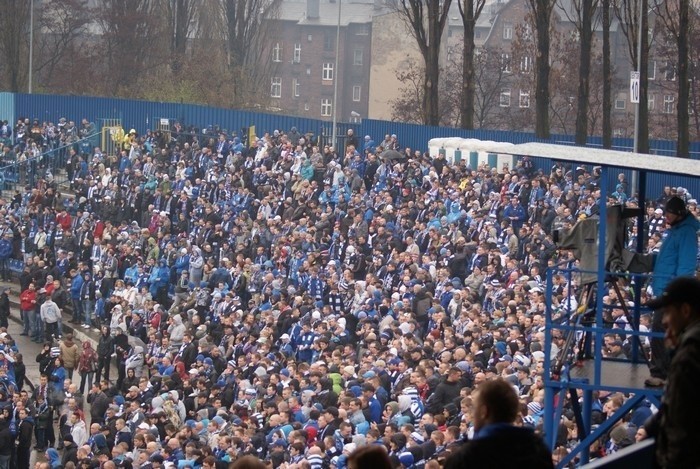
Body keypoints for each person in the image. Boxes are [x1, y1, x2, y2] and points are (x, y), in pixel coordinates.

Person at [644, 276, 700, 467]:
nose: (664, 320)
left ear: (685, 311)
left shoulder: (689, 357)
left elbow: (680, 428)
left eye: (668, 312)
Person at [646, 196, 700, 387]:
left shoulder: (685, 233)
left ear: (679, 213)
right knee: (660, 331)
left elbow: (686, 267)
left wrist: (675, 294)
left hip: (670, 292)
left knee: (660, 330)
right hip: (663, 288)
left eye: (669, 212)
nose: (666, 216)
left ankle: (661, 373)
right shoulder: (676, 230)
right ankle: (663, 371)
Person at [444, 379, 553, 468]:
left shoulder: (464, 459)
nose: (472, 414)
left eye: (474, 408)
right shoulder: (538, 451)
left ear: (483, 411)